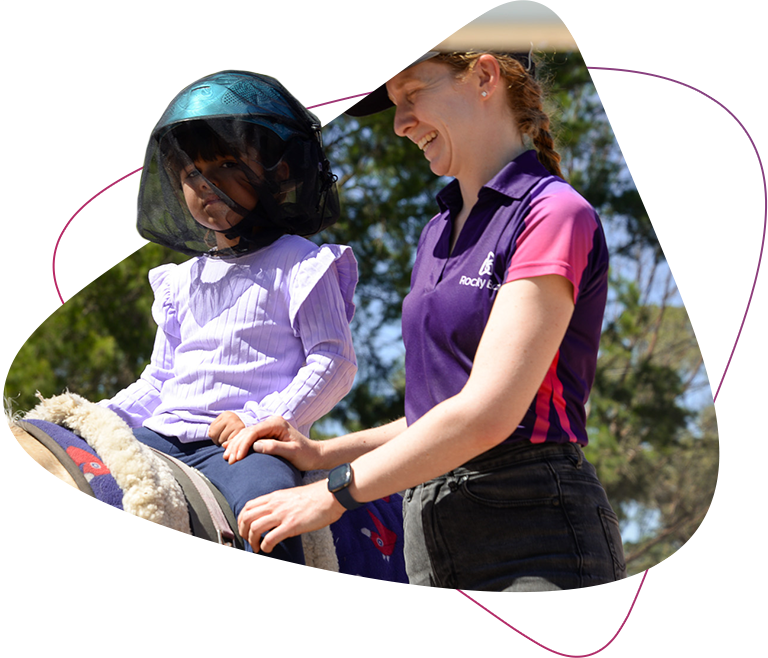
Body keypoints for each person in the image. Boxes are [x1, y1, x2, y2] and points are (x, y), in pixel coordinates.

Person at [228, 44, 629, 608]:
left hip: (535, 542)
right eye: (396, 105)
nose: (399, 124)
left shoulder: (553, 214)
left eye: (413, 94)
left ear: (485, 75)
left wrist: (335, 492)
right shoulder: (437, 231)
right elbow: (437, 411)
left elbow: (486, 414)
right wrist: (322, 453)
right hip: (428, 540)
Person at [99, 71, 358, 609]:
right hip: (164, 434)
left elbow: (334, 361)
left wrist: (267, 418)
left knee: (268, 516)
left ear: (279, 171)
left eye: (224, 166)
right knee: (90, 489)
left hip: (242, 448)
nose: (206, 186)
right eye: (191, 173)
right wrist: (97, 419)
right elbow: (161, 378)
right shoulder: (181, 280)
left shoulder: (302, 263)